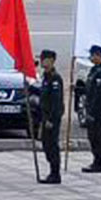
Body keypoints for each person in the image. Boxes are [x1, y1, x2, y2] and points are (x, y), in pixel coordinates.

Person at [32, 50, 64, 184]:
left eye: (44, 59)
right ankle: (52, 170)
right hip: (45, 117)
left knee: (52, 145)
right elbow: (43, 95)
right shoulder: (46, 77)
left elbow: (56, 102)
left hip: (52, 118)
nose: (42, 62)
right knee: (46, 144)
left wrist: (51, 119)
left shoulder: (55, 78)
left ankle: (55, 173)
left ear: (51, 61)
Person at [81, 45, 101, 174]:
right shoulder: (93, 71)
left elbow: (99, 96)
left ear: (99, 56)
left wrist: (93, 113)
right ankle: (95, 160)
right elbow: (89, 90)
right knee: (92, 136)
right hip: (90, 111)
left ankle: (98, 162)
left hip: (96, 112)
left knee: (97, 137)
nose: (91, 58)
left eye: (93, 55)